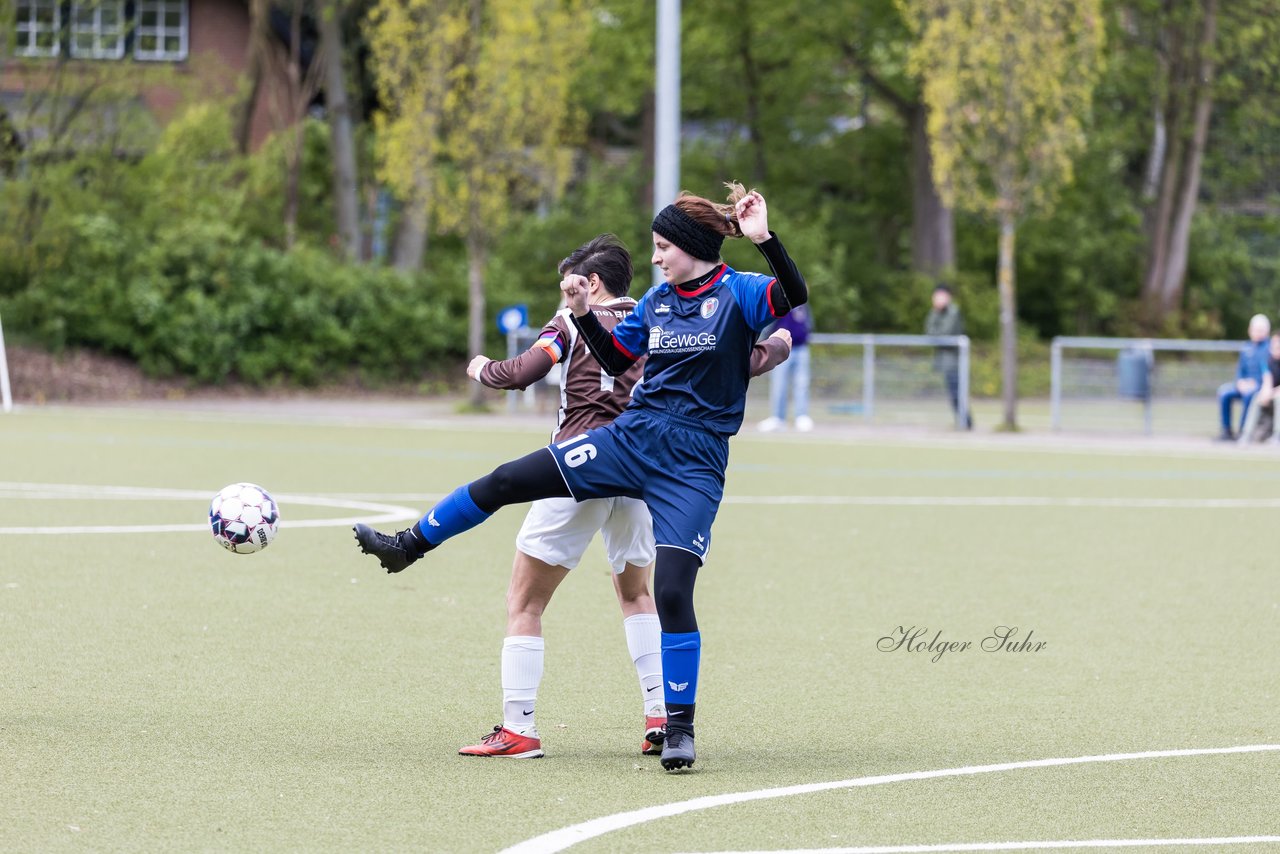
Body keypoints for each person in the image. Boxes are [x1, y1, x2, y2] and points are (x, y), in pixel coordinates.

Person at [354, 183, 806, 772]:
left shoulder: (740, 293)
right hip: (631, 439)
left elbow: (793, 295)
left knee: (670, 590)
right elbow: (618, 359)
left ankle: (679, 728)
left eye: (663, 246)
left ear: (692, 246)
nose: (655, 258)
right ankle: (409, 546)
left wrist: (765, 240)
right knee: (508, 480)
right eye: (653, 248)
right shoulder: (656, 302)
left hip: (693, 463)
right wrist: (583, 314)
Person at [458, 234, 792, 759]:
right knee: (638, 596)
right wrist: (776, 345)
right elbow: (741, 359)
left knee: (524, 601)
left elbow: (522, 372)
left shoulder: (571, 322)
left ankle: (518, 726)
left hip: (579, 468)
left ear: (591, 285)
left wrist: (478, 367)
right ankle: (659, 716)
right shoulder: (660, 318)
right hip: (644, 475)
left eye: (569, 285)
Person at [757, 303, 813, 432]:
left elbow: (808, 321)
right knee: (779, 384)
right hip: (781, 349)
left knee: (802, 384)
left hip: (801, 348)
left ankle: (801, 416)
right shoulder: (779, 299)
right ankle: (778, 418)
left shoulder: (803, 304)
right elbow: (768, 323)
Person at [1217, 314, 1271, 441]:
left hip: (1260, 386)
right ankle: (1226, 430)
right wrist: (1240, 382)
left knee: (1249, 395)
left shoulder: (1269, 348)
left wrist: (1256, 383)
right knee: (1224, 393)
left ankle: (1243, 430)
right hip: (1243, 384)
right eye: (1255, 329)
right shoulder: (1246, 347)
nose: (1257, 333)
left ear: (1266, 331)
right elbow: (1240, 370)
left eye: (1260, 330)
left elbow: (1269, 371)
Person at [925, 284, 971, 429]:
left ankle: (966, 422)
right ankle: (963, 421)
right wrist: (936, 311)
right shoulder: (935, 312)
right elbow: (930, 332)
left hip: (955, 362)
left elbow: (945, 333)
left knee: (957, 394)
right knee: (953, 394)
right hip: (945, 362)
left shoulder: (953, 312)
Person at [1238, 332, 1280, 444]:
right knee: (1258, 397)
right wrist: (1266, 392)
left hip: (1278, 395)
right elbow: (1267, 379)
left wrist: (1275, 392)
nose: (1276, 347)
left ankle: (1277, 435)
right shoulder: (1268, 360)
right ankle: (1246, 435)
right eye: (1275, 344)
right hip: (1273, 393)